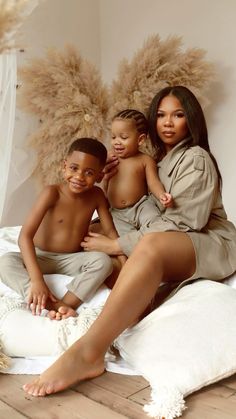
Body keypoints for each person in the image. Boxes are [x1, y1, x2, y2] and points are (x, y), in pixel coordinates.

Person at [23, 86, 236, 396]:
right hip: (172, 237)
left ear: (191, 120)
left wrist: (117, 245)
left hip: (206, 239)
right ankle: (122, 301)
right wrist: (108, 177)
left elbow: (183, 221)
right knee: (93, 238)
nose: (167, 122)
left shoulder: (196, 158)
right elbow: (133, 207)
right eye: (161, 115)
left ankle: (88, 352)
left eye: (177, 115)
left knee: (146, 246)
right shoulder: (153, 159)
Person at [0, 137, 125, 320]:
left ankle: (66, 305)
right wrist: (37, 280)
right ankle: (53, 304)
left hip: (72, 259)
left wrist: (123, 261)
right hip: (40, 255)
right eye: (74, 168)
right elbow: (24, 237)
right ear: (64, 166)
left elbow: (111, 233)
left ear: (99, 175)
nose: (79, 177)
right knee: (5, 262)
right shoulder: (51, 193)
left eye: (89, 173)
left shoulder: (97, 195)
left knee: (103, 262)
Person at [105, 109, 173, 236]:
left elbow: (153, 182)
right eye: (113, 137)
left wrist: (162, 195)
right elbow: (100, 179)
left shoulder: (145, 160)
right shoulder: (110, 158)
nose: (116, 142)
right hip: (117, 213)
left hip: (141, 206)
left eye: (123, 137)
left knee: (156, 225)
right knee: (126, 240)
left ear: (140, 139)